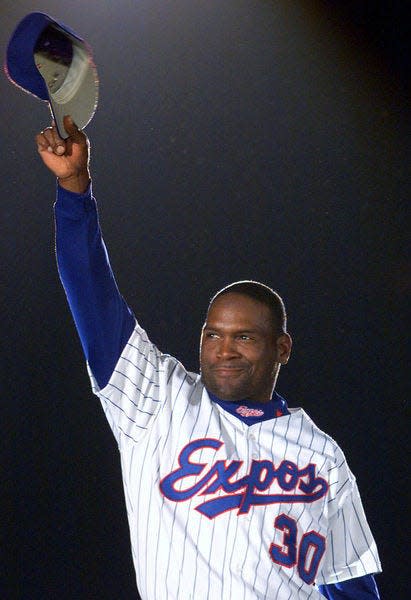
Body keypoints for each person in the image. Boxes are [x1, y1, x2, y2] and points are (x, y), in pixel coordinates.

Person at [36, 116, 382, 599]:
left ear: (282, 347)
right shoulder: (155, 401)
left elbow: (352, 584)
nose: (223, 349)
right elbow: (93, 295)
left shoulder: (321, 455)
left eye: (244, 337)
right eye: (213, 334)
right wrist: (74, 188)